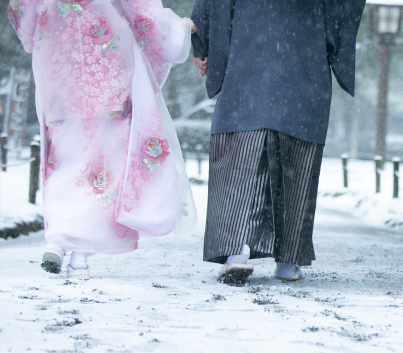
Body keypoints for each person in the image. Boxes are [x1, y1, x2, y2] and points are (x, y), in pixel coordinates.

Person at [7, 0, 197, 280]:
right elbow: (144, 15)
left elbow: (23, 16)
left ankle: (58, 237)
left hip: (59, 62)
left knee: (64, 155)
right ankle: (79, 255)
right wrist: (178, 30)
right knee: (101, 167)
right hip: (106, 63)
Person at [190, 0, 366, 284]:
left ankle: (237, 251)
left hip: (247, 62)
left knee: (239, 155)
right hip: (302, 64)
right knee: (297, 157)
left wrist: (204, 43)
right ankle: (288, 259)